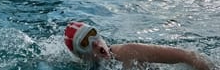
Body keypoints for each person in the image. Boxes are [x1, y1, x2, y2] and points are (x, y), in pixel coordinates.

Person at [64, 21, 216, 70]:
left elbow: (189, 56)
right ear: (80, 54)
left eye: (93, 34)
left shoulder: (127, 52)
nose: (95, 43)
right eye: (85, 42)